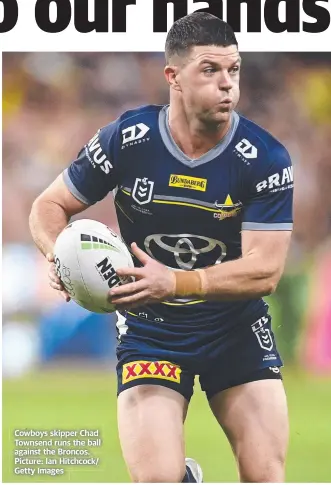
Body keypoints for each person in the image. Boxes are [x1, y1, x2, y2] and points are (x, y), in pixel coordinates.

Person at [29, 12, 293, 483]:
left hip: (234, 328)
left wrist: (174, 281)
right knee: (156, 480)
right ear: (173, 76)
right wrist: (57, 254)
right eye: (210, 71)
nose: (227, 84)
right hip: (153, 333)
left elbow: (266, 271)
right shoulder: (128, 140)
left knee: (266, 475)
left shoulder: (265, 157)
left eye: (234, 70)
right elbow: (49, 205)